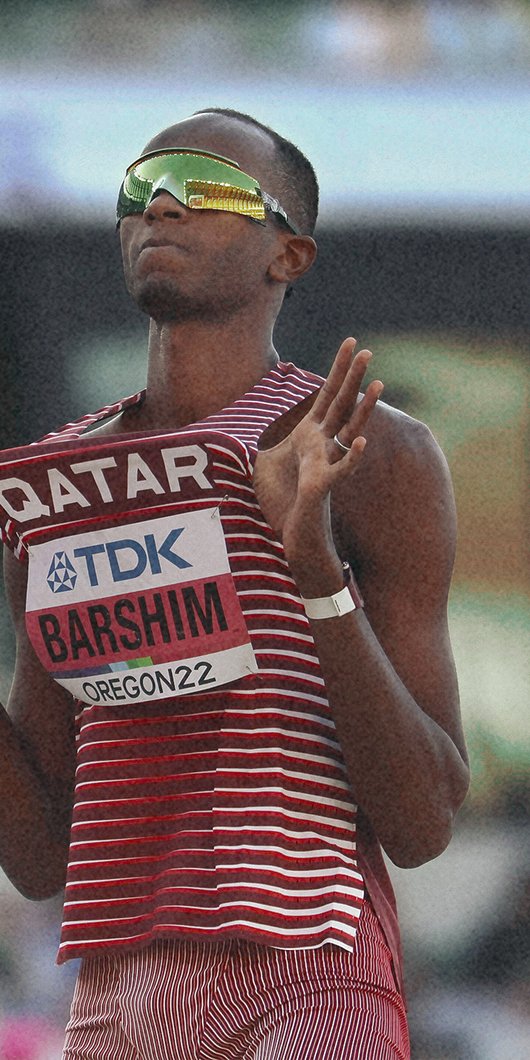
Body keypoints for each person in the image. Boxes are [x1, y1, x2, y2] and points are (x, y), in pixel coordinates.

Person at [0, 108, 469, 1059]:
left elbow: (421, 823)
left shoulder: (370, 455)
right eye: (139, 189)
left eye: (204, 187)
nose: (161, 203)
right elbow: (41, 856)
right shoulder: (58, 486)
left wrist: (311, 573)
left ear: (287, 255)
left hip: (308, 970)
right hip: (113, 993)